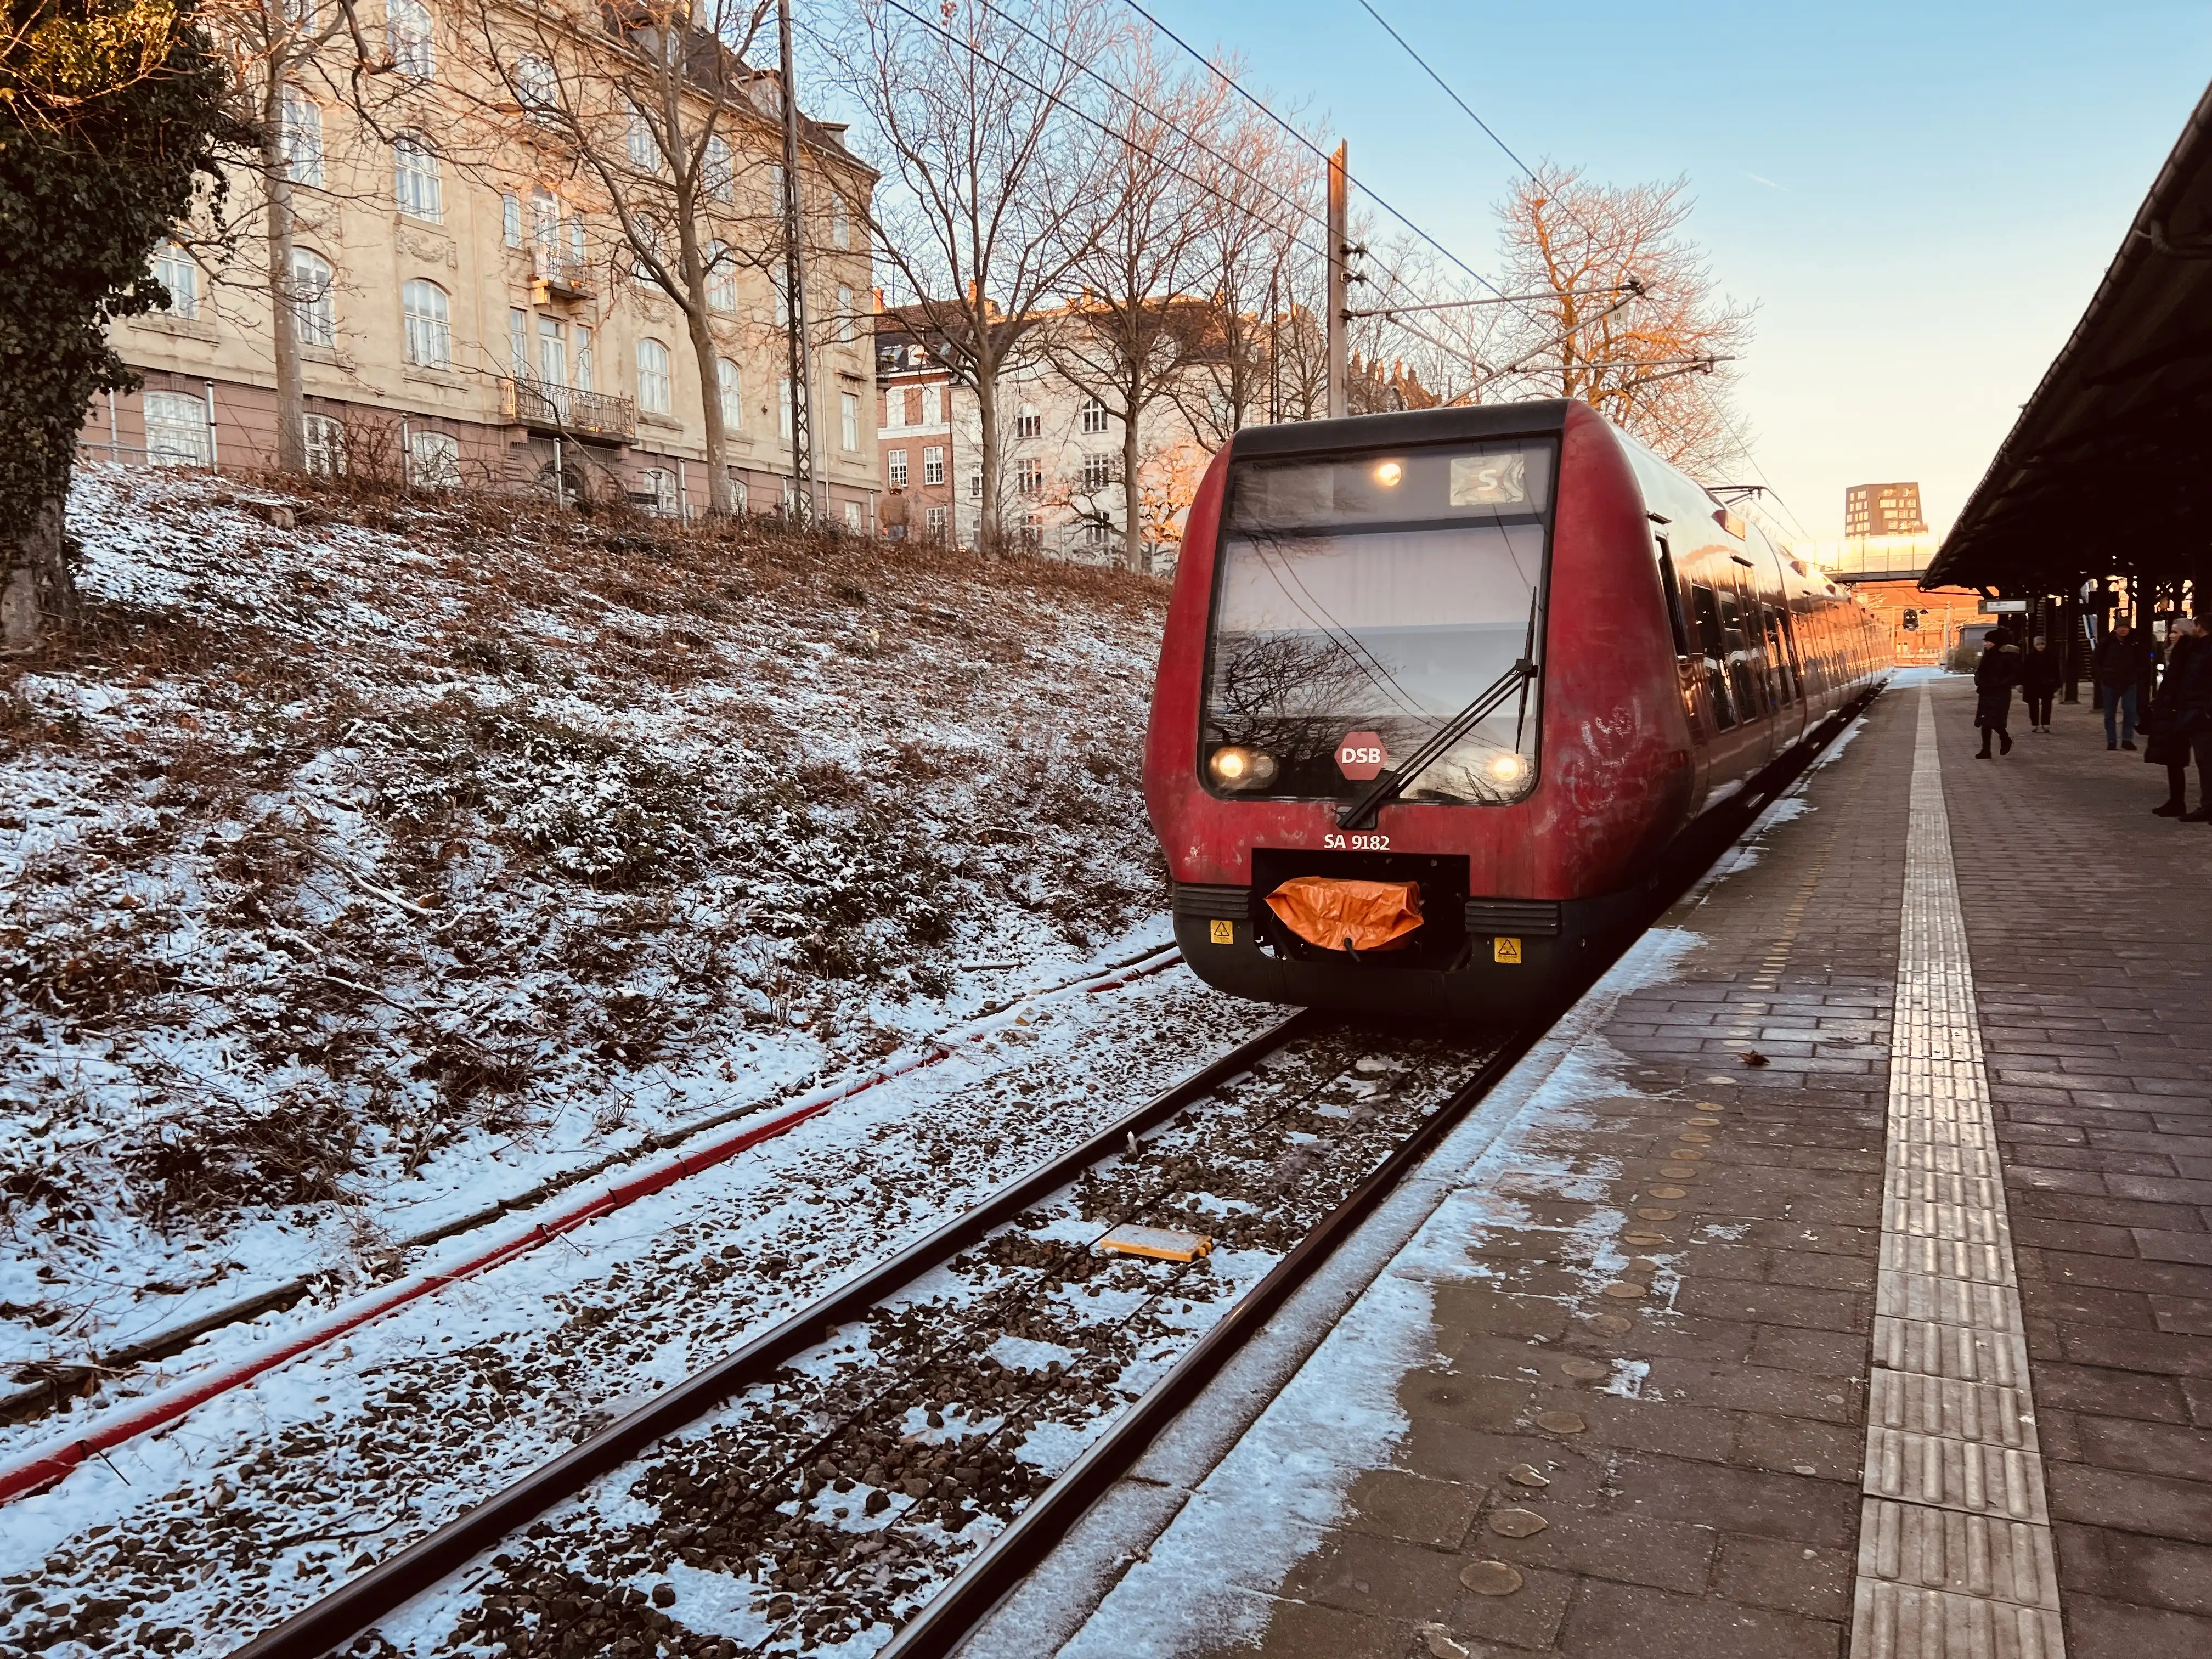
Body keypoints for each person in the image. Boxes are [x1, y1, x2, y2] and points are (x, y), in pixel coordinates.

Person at [2149, 614, 2212, 820]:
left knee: (2204, 760)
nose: (2170, 635)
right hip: (2185, 711)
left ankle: (2204, 806)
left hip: (2194, 712)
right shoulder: (2188, 652)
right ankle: (2180, 802)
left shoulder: (2193, 652)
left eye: (2176, 631)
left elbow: (2191, 682)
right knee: (2177, 757)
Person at [2093, 616, 2153, 750]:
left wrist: (2136, 675)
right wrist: (2102, 675)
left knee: (2130, 711)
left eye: (2126, 627)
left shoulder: (2135, 642)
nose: (2124, 630)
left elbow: (2143, 660)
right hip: (2109, 682)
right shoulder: (2107, 642)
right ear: (2116, 628)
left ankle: (2127, 739)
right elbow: (2097, 659)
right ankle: (2111, 741)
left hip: (2129, 682)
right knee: (2109, 713)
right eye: (2121, 627)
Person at [1974, 625, 2022, 758]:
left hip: (2000, 693)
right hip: (1986, 691)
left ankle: (2005, 738)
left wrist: (2000, 684)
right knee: (1985, 722)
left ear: (1995, 642)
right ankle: (1986, 750)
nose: (1986, 644)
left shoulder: (2006, 656)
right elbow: (1980, 671)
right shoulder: (1987, 656)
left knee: (1995, 721)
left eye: (1988, 642)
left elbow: (2014, 674)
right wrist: (1978, 680)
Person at [2019, 634, 2062, 732]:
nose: (2040, 646)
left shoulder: (2050, 656)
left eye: (2042, 644)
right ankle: (2036, 723)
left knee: (2046, 704)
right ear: (2035, 645)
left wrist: (2058, 684)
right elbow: (2024, 671)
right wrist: (2022, 683)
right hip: (2033, 684)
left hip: (2046, 684)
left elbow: (2056, 671)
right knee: (2034, 704)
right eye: (2038, 644)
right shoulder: (2030, 657)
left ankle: (2045, 723)